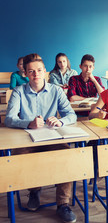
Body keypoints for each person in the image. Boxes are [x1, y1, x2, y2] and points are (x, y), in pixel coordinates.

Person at [5, 53, 77, 223]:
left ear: (45, 71)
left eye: (38, 70)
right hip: (27, 139)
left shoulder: (56, 90)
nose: (35, 74)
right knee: (20, 159)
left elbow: (71, 115)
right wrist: (28, 123)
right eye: (31, 71)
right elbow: (9, 118)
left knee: (67, 155)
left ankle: (63, 204)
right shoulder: (18, 92)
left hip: (51, 138)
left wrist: (60, 121)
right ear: (26, 73)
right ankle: (34, 190)